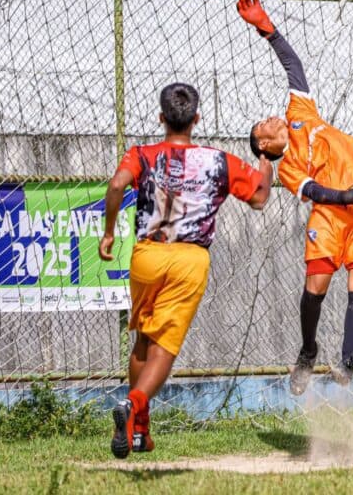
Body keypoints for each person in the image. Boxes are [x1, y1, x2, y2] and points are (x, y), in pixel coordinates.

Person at [99, 82, 272, 458]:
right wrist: (266, 159)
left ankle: (140, 432)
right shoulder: (217, 160)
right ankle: (133, 403)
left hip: (147, 255)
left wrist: (109, 232)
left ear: (161, 118)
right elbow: (259, 197)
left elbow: (116, 185)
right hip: (189, 259)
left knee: (143, 339)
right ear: (196, 119)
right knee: (165, 348)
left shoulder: (142, 154)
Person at [237, 0, 353, 394]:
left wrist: (264, 25)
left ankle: (347, 365)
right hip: (333, 213)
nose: (269, 119)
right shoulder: (286, 170)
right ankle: (307, 351)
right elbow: (319, 191)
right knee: (315, 288)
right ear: (264, 146)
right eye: (261, 127)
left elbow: (292, 64)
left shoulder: (300, 114)